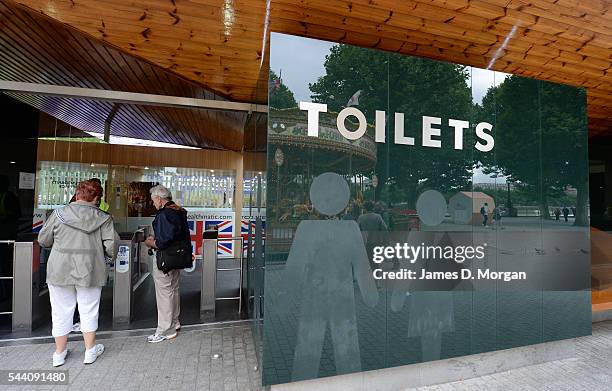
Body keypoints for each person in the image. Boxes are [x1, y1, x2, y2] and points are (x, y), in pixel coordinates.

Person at [38, 180, 118, 367]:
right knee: (89, 309)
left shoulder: (58, 214)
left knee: (60, 311)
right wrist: (107, 258)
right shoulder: (103, 218)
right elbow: (111, 245)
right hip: (90, 269)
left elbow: (43, 239)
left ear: (77, 194)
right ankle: (90, 352)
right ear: (97, 198)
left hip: (59, 269)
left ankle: (59, 354)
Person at [144, 185, 190, 343]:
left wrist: (150, 242)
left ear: (159, 198)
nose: (153, 203)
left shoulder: (164, 214)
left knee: (164, 293)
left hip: (165, 259)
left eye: (153, 200)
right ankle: (174, 322)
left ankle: (165, 329)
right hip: (177, 258)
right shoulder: (179, 211)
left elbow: (163, 242)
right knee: (174, 290)